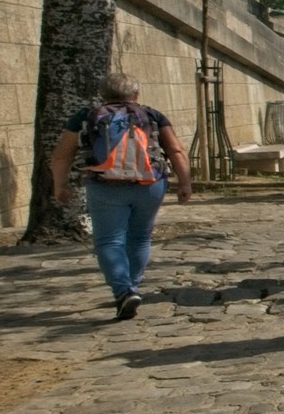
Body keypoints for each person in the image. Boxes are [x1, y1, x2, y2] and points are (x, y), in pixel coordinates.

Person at [47, 69, 193, 319]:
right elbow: (176, 150)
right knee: (140, 237)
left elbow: (61, 155)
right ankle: (131, 287)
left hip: (105, 185)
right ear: (136, 94)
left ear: (102, 94)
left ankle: (123, 291)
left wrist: (59, 185)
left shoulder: (86, 116)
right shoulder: (152, 115)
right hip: (149, 184)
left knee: (109, 240)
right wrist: (185, 183)